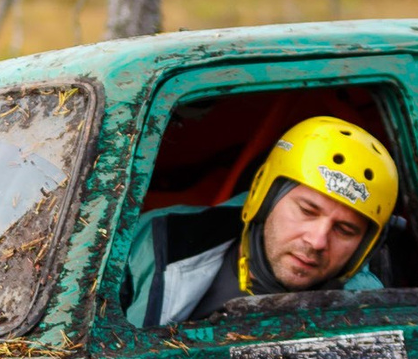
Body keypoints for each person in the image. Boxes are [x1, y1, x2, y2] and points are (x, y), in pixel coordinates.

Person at [123, 117, 400, 326]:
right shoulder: (153, 242)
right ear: (261, 196)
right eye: (307, 210)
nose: (317, 241)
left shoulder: (365, 314)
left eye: (345, 230)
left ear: (364, 247)